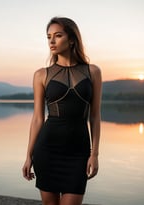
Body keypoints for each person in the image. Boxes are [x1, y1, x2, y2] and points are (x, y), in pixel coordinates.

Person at [22, 16, 102, 205]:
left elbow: (95, 116)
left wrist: (95, 154)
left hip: (79, 151)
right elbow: (37, 119)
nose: (51, 41)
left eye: (57, 36)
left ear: (72, 39)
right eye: (48, 36)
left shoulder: (93, 71)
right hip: (47, 149)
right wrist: (28, 156)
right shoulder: (41, 74)